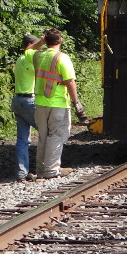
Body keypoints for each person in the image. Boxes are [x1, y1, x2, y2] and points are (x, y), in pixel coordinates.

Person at [31, 28, 86, 180]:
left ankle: (41, 170)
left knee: (43, 136)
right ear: (60, 41)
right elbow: (70, 82)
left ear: (46, 41)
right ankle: (51, 170)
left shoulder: (37, 56)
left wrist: (40, 42)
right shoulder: (62, 58)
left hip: (40, 104)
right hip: (58, 104)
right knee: (57, 135)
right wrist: (77, 104)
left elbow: (27, 50)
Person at [11, 33, 45, 181]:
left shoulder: (20, 60)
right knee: (47, 132)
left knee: (22, 140)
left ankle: (21, 174)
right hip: (28, 101)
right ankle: (46, 169)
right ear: (29, 47)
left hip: (17, 100)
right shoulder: (28, 59)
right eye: (37, 46)